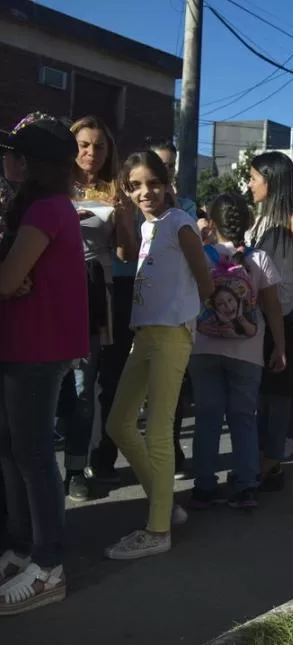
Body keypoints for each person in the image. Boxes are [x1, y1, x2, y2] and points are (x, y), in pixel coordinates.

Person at [103, 151, 214, 560]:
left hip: (170, 335)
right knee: (119, 423)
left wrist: (185, 316)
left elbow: (206, 282)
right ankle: (163, 504)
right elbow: (125, 258)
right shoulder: (149, 226)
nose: (144, 192)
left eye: (151, 182)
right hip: (144, 335)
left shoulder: (180, 224)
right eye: (134, 186)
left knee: (159, 430)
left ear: (167, 183)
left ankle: (158, 528)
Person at [0, 114, 86, 615]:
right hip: (23, 345)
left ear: (30, 162)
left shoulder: (47, 209)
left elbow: (9, 280)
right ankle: (22, 547)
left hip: (38, 347)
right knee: (11, 449)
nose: (7, 159)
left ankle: (49, 564)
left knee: (30, 454)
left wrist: (10, 276)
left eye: (14, 153)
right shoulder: (36, 207)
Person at [188, 192, 285, 510]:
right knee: (243, 418)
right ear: (248, 222)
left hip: (202, 349)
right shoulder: (259, 259)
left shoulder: (199, 256)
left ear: (211, 223)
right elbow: (272, 309)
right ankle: (246, 486)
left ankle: (203, 486)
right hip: (247, 353)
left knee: (207, 418)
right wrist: (280, 347)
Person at [60, 116, 137, 500]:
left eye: (100, 146)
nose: (91, 152)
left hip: (93, 294)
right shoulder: (53, 186)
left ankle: (75, 468)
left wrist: (124, 217)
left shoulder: (114, 193)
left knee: (83, 387)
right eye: (84, 144)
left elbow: (128, 252)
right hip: (49, 291)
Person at [247, 152, 293, 491]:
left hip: (287, 315)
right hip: (256, 317)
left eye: (253, 177)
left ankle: (271, 460)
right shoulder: (259, 219)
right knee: (260, 393)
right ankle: (263, 458)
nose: (249, 184)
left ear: (271, 180)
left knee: (277, 393)